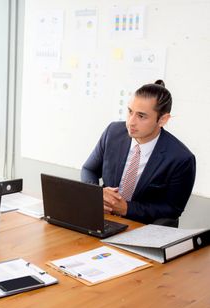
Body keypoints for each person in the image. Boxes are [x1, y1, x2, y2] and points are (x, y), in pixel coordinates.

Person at [81, 80, 196, 224]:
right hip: (105, 219)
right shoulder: (113, 132)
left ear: (162, 119)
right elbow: (89, 169)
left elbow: (172, 209)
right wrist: (96, 194)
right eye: (130, 112)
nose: (130, 122)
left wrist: (126, 208)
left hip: (144, 227)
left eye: (141, 116)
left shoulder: (181, 158)